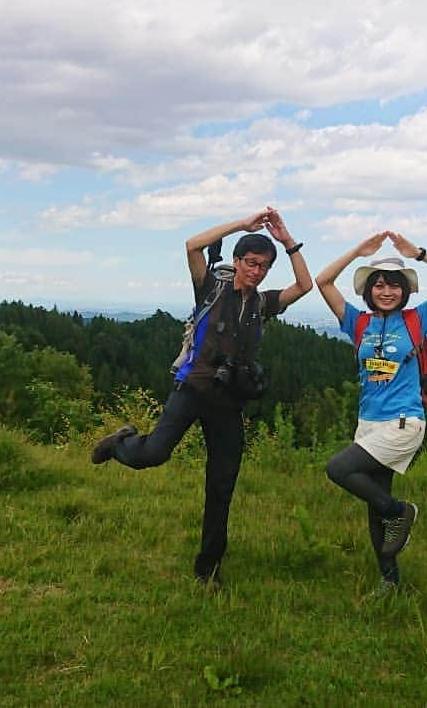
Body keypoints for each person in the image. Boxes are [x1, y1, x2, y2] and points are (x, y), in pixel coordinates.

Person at [91, 207, 313, 589]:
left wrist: (288, 242)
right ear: (237, 260)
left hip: (228, 401)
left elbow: (305, 286)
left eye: (263, 266)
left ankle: (207, 570)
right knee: (155, 453)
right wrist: (242, 224)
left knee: (222, 485)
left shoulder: (261, 304)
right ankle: (121, 444)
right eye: (251, 263)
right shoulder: (212, 288)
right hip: (191, 388)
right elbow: (192, 245)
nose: (256, 271)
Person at [315, 231, 427, 593]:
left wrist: (419, 254)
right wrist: (357, 252)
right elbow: (323, 281)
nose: (386, 291)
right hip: (368, 423)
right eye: (378, 284)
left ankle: (401, 511)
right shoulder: (359, 324)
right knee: (374, 505)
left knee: (338, 468)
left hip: (403, 422)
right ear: (368, 290)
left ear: (404, 290)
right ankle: (390, 582)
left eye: (394, 285)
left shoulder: (417, 320)